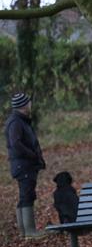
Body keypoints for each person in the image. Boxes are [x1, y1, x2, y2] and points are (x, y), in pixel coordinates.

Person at [4, 92, 46, 238]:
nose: (30, 104)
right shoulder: (16, 122)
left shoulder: (21, 121)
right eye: (28, 102)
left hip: (24, 165)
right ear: (23, 106)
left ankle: (24, 232)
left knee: (25, 195)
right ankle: (30, 231)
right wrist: (32, 155)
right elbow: (16, 144)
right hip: (23, 165)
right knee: (27, 196)